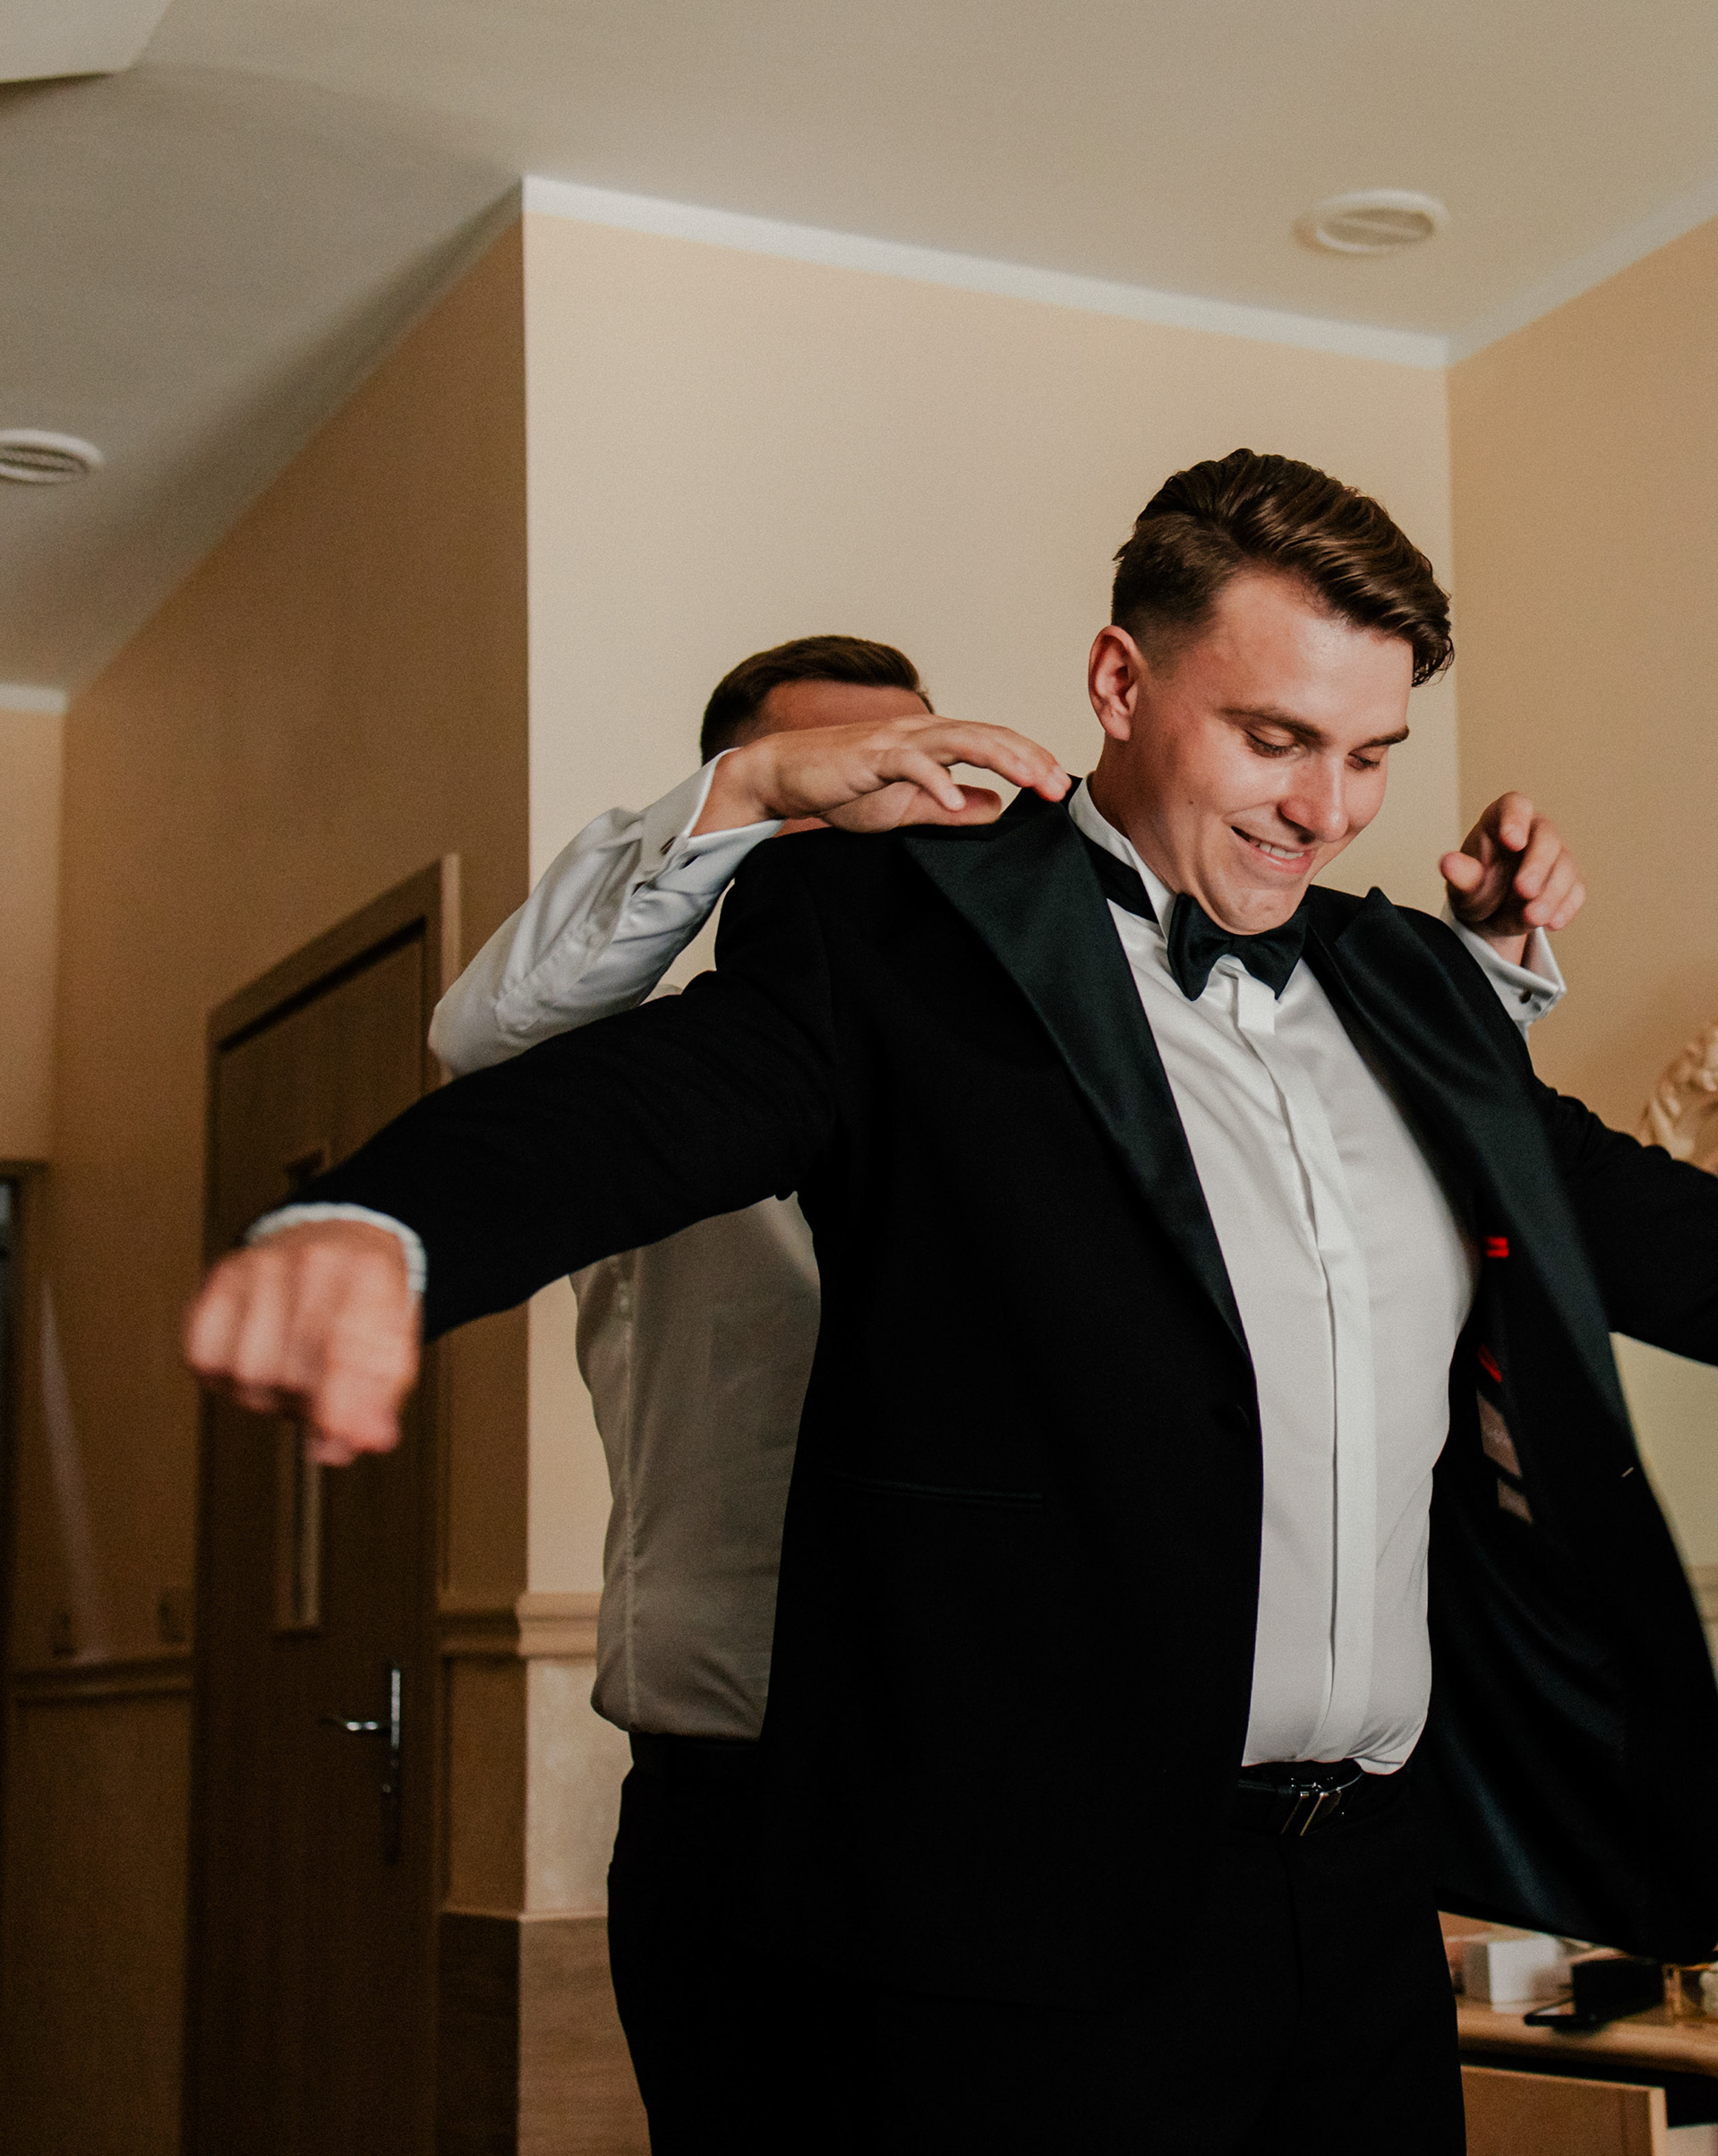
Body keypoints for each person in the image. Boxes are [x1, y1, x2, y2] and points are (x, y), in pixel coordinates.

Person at [187, 449, 1718, 2152]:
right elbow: (634, 1108)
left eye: (1373, 752)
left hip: (1360, 1896)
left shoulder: (1414, 988)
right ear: (1121, 685)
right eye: (1276, 736)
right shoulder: (908, 947)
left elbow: (1697, 1247)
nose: (1325, 805)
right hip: (1025, 1917)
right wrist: (385, 1230)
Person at [421, 629, 1586, 2150]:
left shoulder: (1038, 1081)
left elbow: (1306, 1178)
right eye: (843, 783)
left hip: (1022, 1813)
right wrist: (757, 789)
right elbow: (487, 1036)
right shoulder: (651, 1081)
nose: (894, 813)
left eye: (924, 775)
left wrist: (1473, 979)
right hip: (747, 1799)